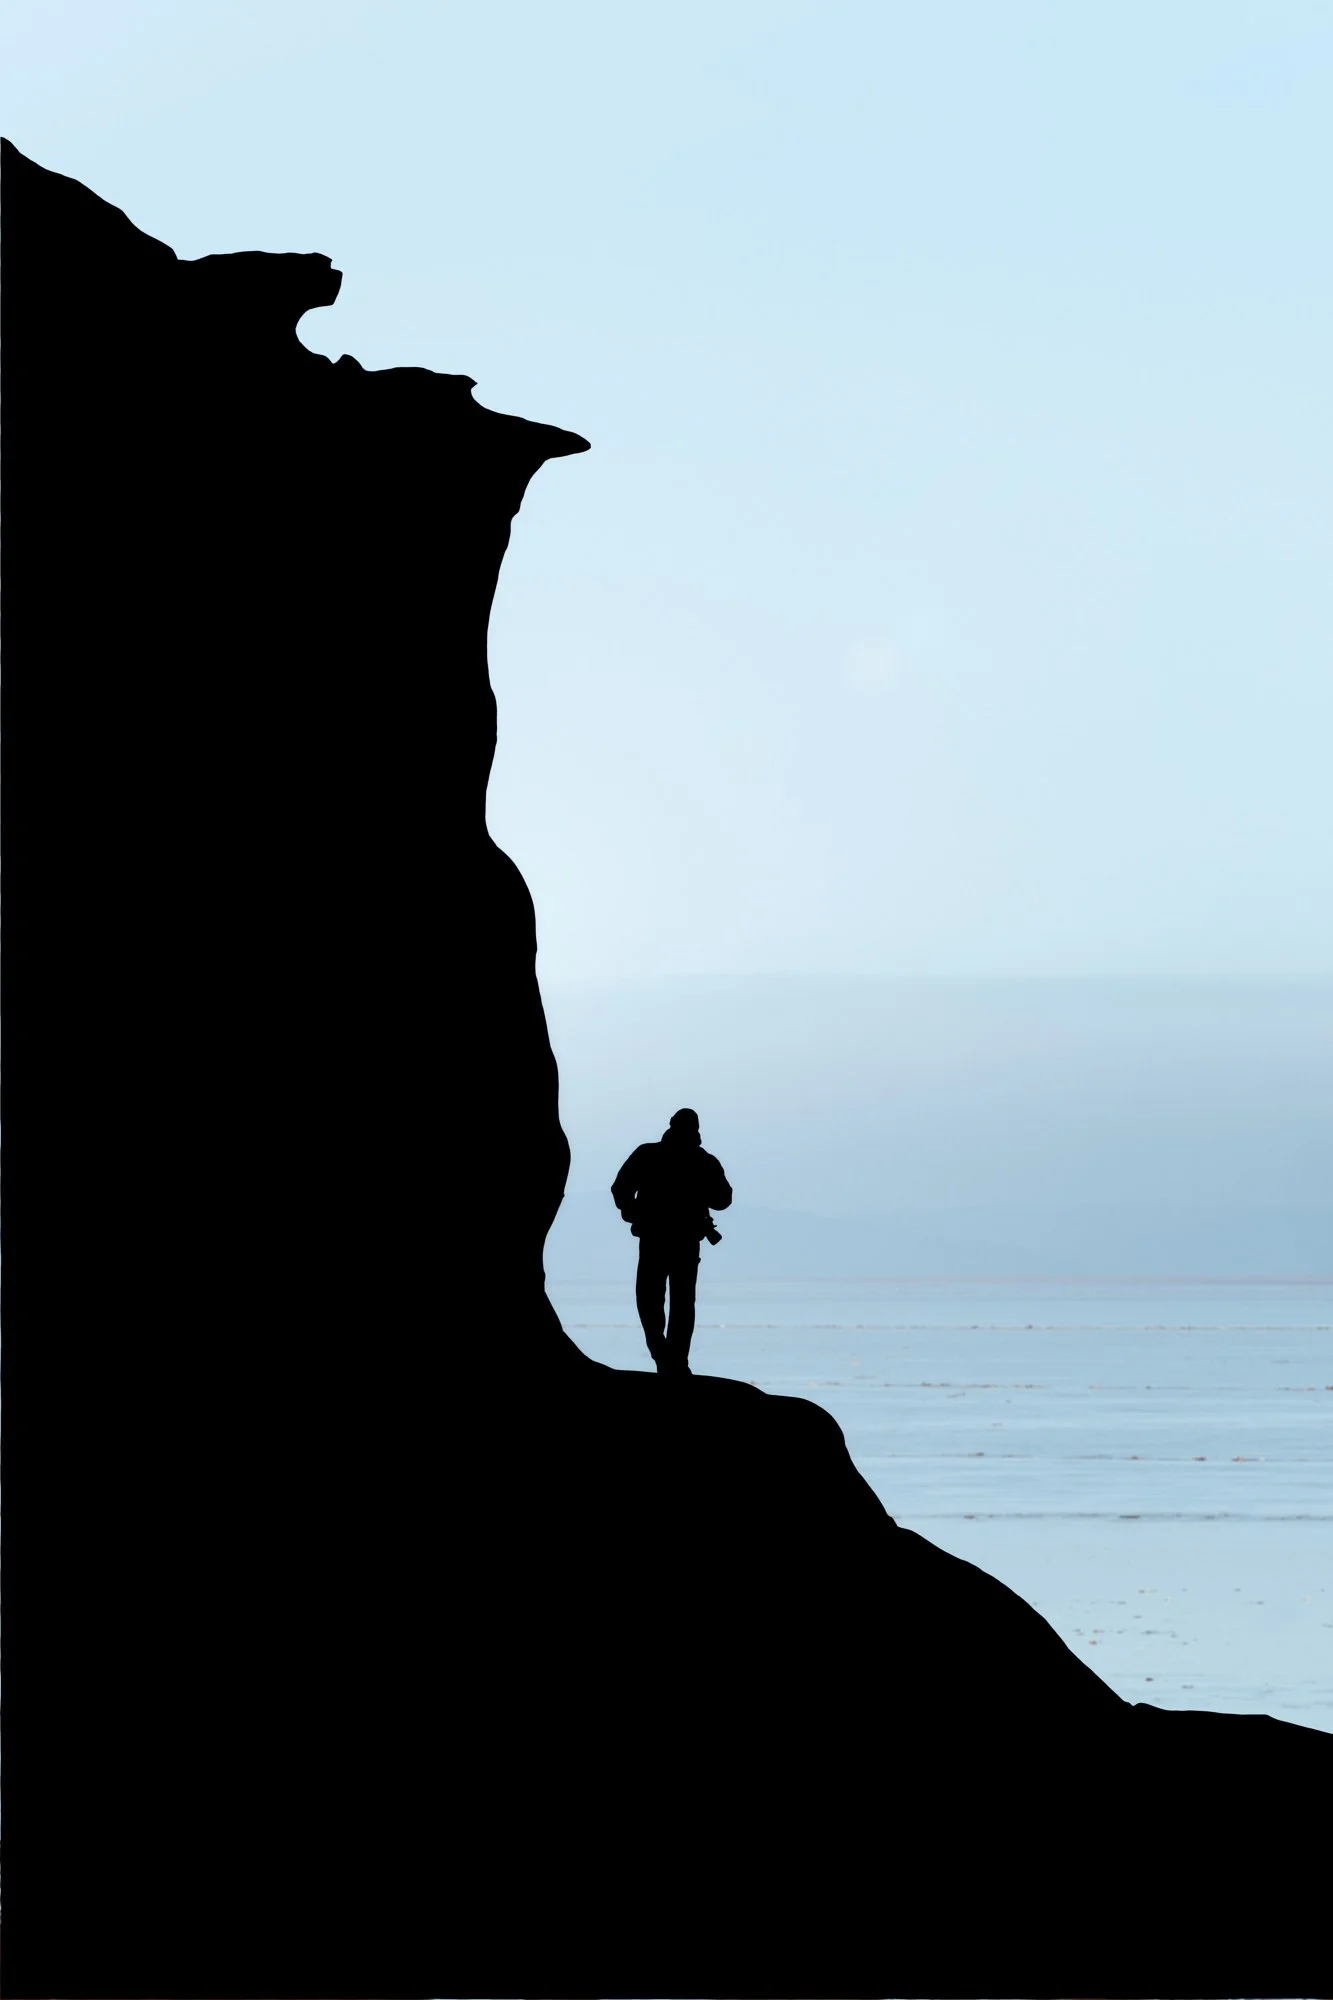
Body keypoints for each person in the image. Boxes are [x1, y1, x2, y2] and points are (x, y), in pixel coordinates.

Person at [611, 1108, 732, 1376]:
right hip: (677, 1241)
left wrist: (633, 1211)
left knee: (660, 1301)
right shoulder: (701, 1160)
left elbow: (723, 1199)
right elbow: (723, 1199)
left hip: (666, 1240)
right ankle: (671, 1360)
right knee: (674, 1302)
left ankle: (670, 1360)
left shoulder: (651, 1155)